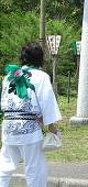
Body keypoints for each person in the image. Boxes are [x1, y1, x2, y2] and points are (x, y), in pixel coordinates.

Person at [0, 42, 62, 186]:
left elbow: (4, 102)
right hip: (29, 128)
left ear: (23, 58)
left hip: (9, 126)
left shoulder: (10, 75)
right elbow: (47, 103)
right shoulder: (41, 76)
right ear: (40, 59)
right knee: (35, 167)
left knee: (5, 165)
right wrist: (52, 128)